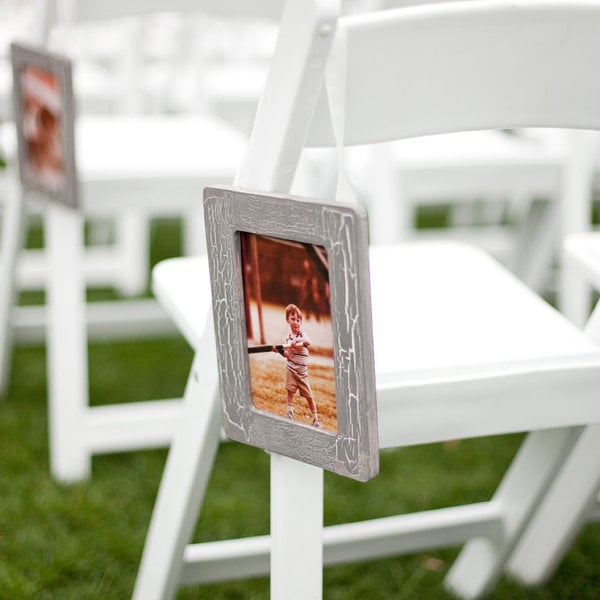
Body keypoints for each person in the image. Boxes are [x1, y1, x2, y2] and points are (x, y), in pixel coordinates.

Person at [273, 303, 321, 428]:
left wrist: (296, 341)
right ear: (287, 320)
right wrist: (279, 350)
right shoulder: (288, 338)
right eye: (293, 319)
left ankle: (315, 419)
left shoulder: (302, 335)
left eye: (298, 320)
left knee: (309, 396)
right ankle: (290, 413)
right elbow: (288, 355)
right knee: (290, 392)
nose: (296, 322)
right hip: (291, 370)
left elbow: (307, 342)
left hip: (302, 373)